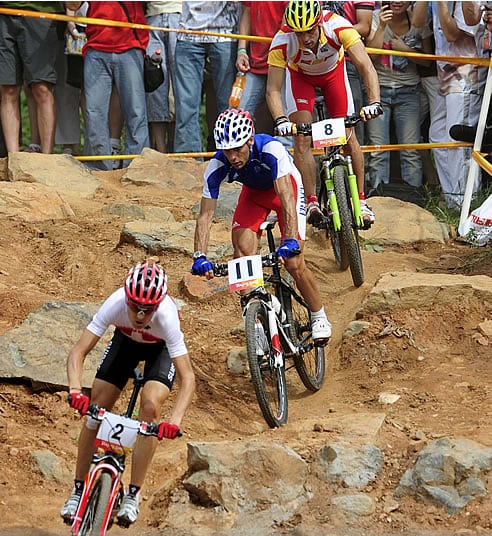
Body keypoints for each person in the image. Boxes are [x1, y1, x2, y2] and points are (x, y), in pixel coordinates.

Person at [60, 261, 195, 526]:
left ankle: (133, 494)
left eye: (148, 309)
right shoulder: (115, 303)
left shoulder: (167, 317)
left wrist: (174, 422)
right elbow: (78, 351)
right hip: (125, 343)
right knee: (96, 406)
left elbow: (188, 377)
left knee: (150, 408)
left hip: (160, 350)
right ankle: (77, 490)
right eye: (134, 306)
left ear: (158, 305)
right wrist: (75, 390)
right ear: (127, 297)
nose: (140, 315)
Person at [191, 108, 332, 344]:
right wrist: (199, 255)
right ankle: (256, 323)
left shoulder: (271, 149)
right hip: (254, 195)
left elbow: (286, 196)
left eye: (238, 148)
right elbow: (205, 215)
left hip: (285, 189)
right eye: (227, 151)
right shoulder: (217, 166)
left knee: (294, 262)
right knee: (242, 254)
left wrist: (288, 240)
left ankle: (319, 315)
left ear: (250, 140)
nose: (233, 156)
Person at [266, 0, 382, 228]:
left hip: (333, 75)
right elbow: (272, 89)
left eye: (310, 30)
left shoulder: (338, 26)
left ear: (319, 22)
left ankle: (361, 199)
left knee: (349, 135)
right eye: (299, 33)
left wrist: (374, 102)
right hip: (301, 79)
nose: (306, 38)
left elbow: (366, 67)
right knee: (301, 137)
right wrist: (280, 120)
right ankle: (311, 202)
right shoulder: (281, 41)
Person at [412, 1, 485, 208]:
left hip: (466, 75)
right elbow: (417, 23)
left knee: (458, 138)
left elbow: (452, 34)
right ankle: (454, 198)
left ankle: (467, 201)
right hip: (444, 76)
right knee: (437, 136)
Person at [65, 1, 150, 170]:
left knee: (136, 111)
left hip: (130, 45)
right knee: (94, 112)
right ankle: (98, 167)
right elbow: (72, 4)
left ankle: (137, 168)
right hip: (97, 45)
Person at [365, 1, 433, 194]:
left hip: (409, 90)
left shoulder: (418, 20)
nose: (397, 1)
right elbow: (370, 55)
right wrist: (382, 27)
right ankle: (378, 196)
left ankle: (414, 196)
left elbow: (427, 62)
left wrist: (404, 49)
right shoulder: (377, 18)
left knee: (410, 148)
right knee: (378, 148)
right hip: (379, 91)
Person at [173, 1, 240, 155]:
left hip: (225, 33)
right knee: (186, 105)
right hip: (188, 33)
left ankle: (231, 159)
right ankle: (188, 161)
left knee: (229, 105)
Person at [0, 1, 63, 154]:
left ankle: (47, 157)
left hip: (40, 12)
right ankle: (13, 157)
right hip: (4, 12)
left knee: (42, 88)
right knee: (8, 89)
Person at [321, 1, 376, 144]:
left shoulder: (334, 28)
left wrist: (332, 32)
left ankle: (355, 163)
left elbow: (365, 27)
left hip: (348, 58)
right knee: (315, 127)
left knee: (351, 125)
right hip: (313, 61)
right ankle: (324, 163)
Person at [145, 1, 182, 153]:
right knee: (155, 80)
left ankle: (175, 147)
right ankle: (160, 150)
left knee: (179, 85)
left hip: (181, 15)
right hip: (152, 16)